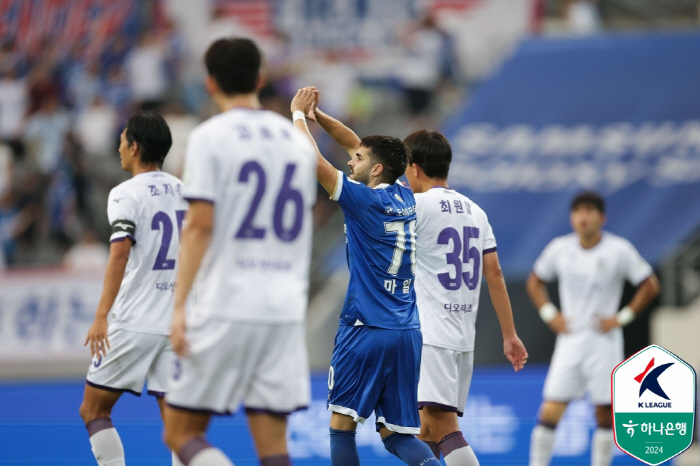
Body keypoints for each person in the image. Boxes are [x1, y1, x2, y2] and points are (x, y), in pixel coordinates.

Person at [162, 38, 317, 466]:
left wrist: (178, 309)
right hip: (284, 307)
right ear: (261, 79)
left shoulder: (209, 136)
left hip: (226, 300)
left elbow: (200, 226)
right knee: (274, 449)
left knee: (180, 432)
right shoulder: (297, 144)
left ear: (210, 83)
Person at [290, 87, 439, 466]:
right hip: (406, 331)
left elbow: (315, 162)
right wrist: (319, 116)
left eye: (357, 160)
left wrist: (296, 116)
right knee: (394, 435)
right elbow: (356, 143)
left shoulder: (363, 200)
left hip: (365, 327)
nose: (350, 160)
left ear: (375, 170)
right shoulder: (403, 194)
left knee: (342, 425)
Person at [403, 129, 528, 466]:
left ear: (414, 167)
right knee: (426, 429)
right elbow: (495, 275)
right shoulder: (476, 211)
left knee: (442, 426)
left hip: (431, 335)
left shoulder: (416, 206)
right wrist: (510, 335)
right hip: (461, 337)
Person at [79, 112, 186, 466]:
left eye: (123, 140)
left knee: (93, 409)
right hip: (176, 323)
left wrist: (100, 316)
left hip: (135, 319)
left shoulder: (125, 193)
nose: (119, 147)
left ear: (135, 147)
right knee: (177, 426)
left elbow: (120, 251)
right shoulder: (186, 191)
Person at [527, 191, 660, 466]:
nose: (583, 217)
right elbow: (534, 281)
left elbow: (650, 285)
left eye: (589, 211)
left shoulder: (618, 249)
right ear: (571, 217)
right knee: (550, 410)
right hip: (570, 343)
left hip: (604, 344)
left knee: (603, 412)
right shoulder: (559, 248)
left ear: (602, 217)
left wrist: (622, 318)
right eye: (578, 211)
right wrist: (550, 314)